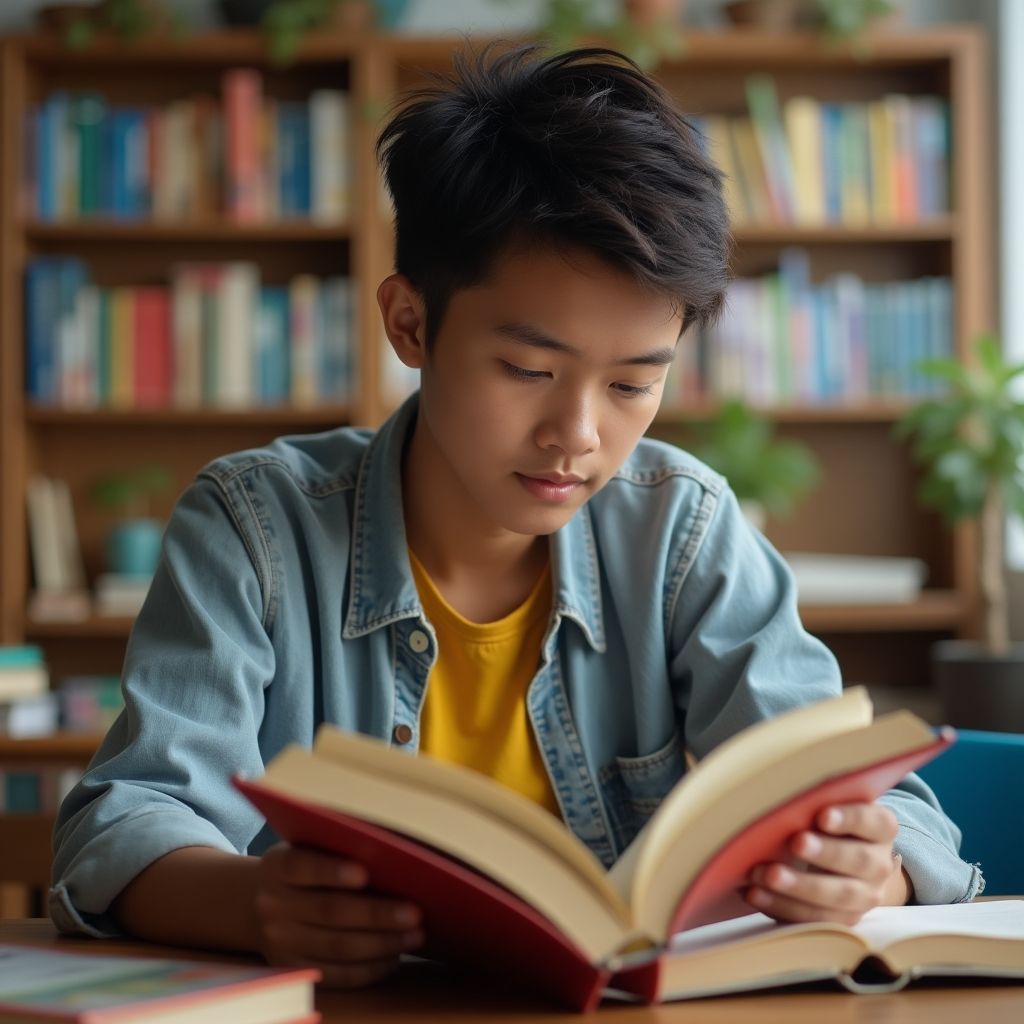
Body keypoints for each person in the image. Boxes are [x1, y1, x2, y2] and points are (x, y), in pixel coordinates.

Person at [51, 44, 981, 988]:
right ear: (410, 323)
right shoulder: (255, 528)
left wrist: (876, 863)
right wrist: (255, 903)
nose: (576, 434)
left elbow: (879, 799)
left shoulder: (682, 531)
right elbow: (127, 816)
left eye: (631, 383)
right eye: (529, 372)